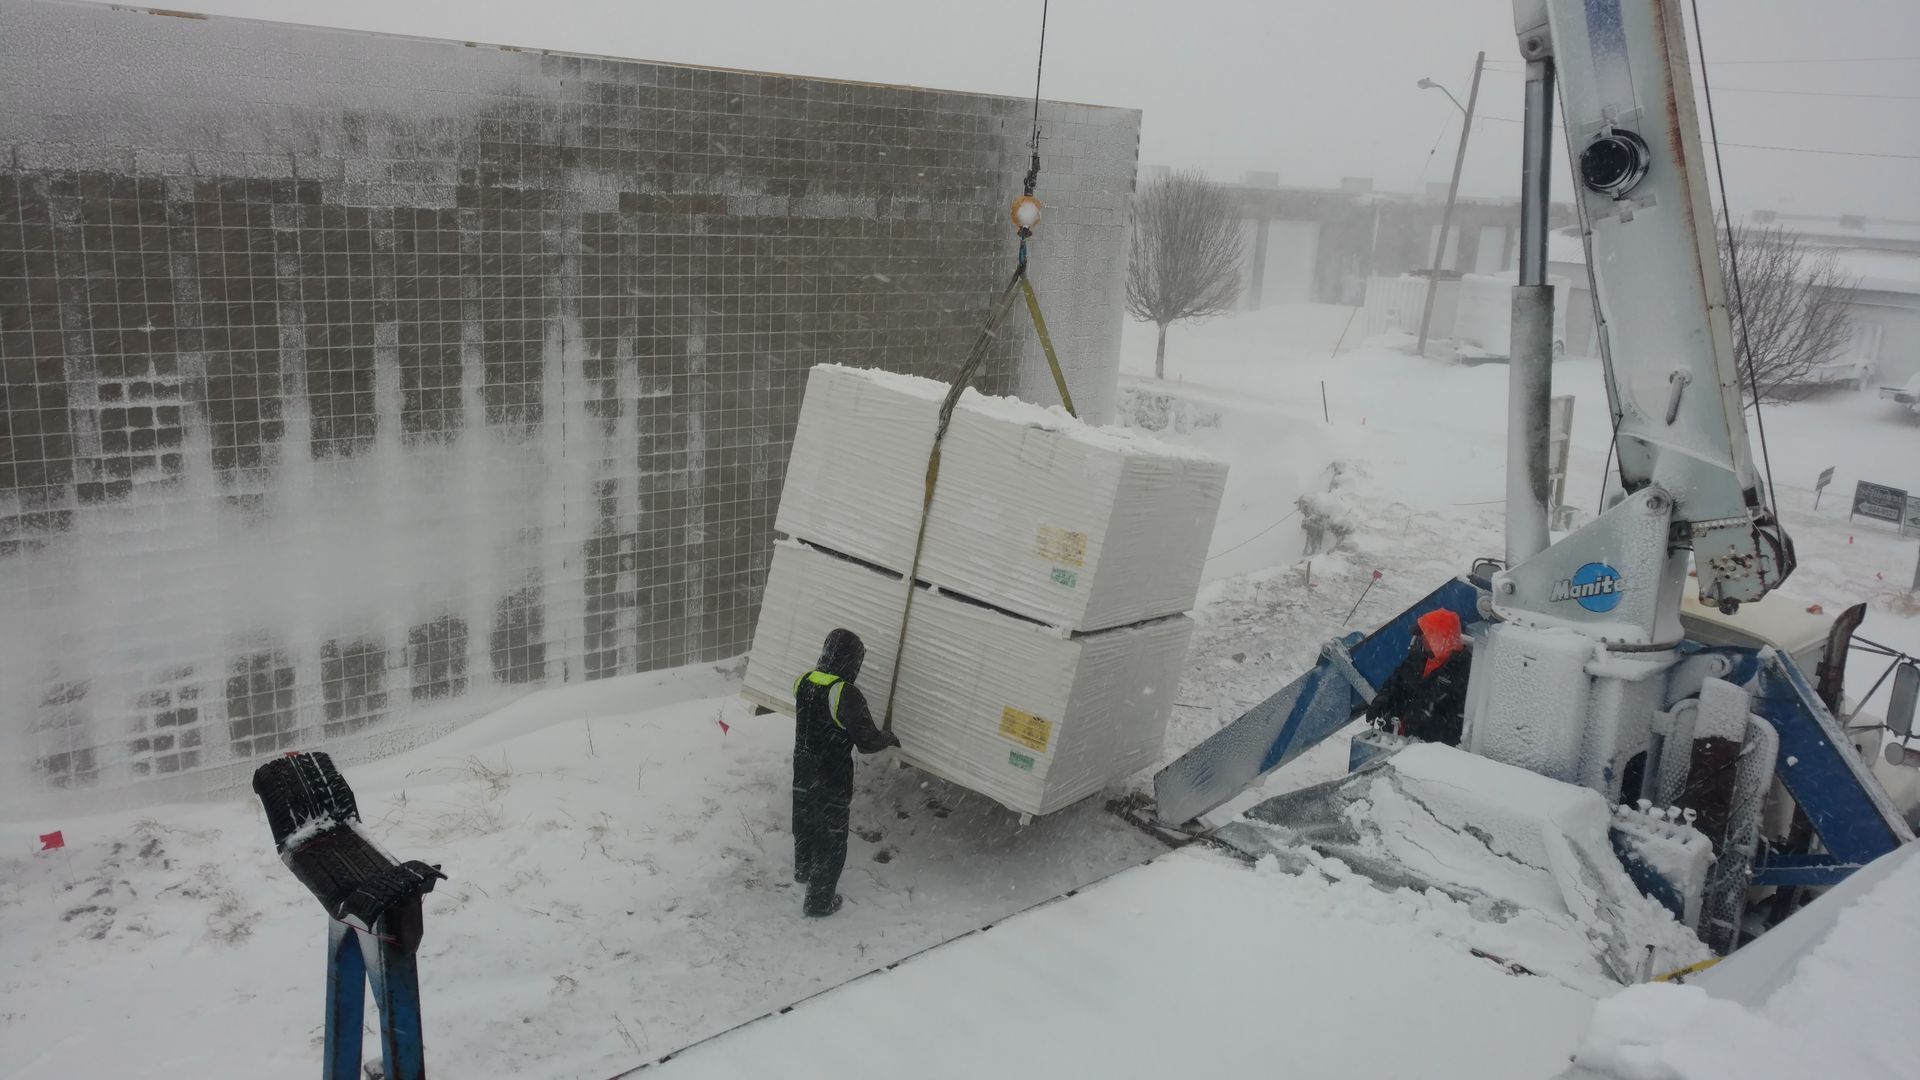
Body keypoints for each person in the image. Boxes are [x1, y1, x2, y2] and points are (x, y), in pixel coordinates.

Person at [791, 628, 899, 917]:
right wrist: (888, 737)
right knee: (831, 837)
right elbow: (867, 742)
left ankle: (803, 869)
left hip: (802, 769)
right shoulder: (844, 693)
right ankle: (819, 901)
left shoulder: (803, 681)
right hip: (831, 775)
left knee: (805, 822)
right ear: (851, 661)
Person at [1365, 609, 1471, 747]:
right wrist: (1382, 701)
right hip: (1394, 739)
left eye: (1427, 635)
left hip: (1427, 750)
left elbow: (1455, 721)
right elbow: (1395, 683)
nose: (1422, 639)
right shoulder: (1418, 657)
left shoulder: (1462, 671)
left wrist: (1417, 727)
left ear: (1440, 638)